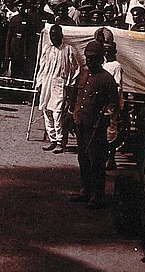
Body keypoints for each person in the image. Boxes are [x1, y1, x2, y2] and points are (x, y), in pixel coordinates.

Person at [71, 40, 118, 209]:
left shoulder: (107, 79)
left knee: (96, 162)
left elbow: (113, 104)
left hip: (95, 127)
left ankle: (97, 195)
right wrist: (71, 116)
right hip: (81, 122)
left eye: (93, 58)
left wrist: (106, 118)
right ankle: (85, 190)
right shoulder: (82, 74)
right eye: (87, 58)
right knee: (83, 159)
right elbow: (75, 97)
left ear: (100, 59)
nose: (89, 61)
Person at [37, 24, 80, 153]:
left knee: (57, 113)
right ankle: (53, 139)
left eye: (56, 35)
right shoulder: (47, 49)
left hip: (60, 84)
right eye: (51, 36)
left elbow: (75, 69)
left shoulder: (68, 50)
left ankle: (61, 142)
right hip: (47, 83)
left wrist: (70, 84)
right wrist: (39, 84)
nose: (53, 38)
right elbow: (42, 67)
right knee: (46, 111)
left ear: (61, 36)